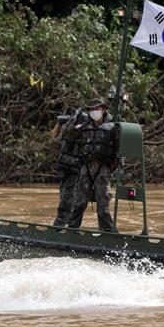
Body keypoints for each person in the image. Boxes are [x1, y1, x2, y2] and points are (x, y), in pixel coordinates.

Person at [61, 98, 119, 231]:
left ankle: (107, 233)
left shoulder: (112, 127)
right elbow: (66, 135)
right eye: (91, 109)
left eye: (96, 109)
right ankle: (72, 230)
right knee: (78, 202)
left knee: (103, 204)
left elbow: (119, 147)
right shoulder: (83, 126)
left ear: (103, 110)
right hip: (85, 168)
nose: (94, 112)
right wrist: (74, 119)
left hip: (103, 169)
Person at [50, 109, 84, 227]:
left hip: (76, 172)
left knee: (67, 200)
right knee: (63, 197)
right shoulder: (67, 135)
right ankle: (64, 225)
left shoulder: (83, 135)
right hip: (65, 170)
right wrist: (59, 123)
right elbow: (54, 137)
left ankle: (60, 226)